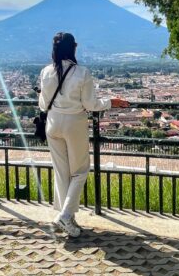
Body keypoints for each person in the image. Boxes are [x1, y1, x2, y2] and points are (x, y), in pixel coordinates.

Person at [38, 32, 129, 237]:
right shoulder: (82, 72)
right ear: (73, 48)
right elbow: (90, 104)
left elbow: (43, 104)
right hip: (74, 124)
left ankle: (65, 217)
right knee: (80, 171)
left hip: (52, 124)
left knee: (61, 172)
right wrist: (110, 102)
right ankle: (66, 215)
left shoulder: (45, 72)